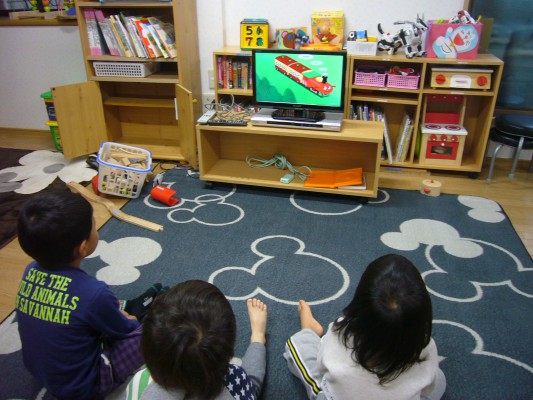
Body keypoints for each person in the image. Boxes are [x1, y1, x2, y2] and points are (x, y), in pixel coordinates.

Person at [15, 191, 165, 400]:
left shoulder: (30, 270)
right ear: (83, 247)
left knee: (91, 308)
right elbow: (125, 330)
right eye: (94, 226)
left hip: (41, 371)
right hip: (83, 386)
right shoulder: (93, 292)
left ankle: (117, 310)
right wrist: (130, 321)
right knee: (153, 334)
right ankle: (126, 312)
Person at [284, 253, 446, 400]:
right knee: (437, 381)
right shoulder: (425, 346)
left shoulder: (340, 335)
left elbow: (321, 365)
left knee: (298, 346)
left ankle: (308, 331)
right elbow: (430, 388)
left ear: (359, 303)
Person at [127, 280, 268, 400]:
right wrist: (258, 337)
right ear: (228, 353)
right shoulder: (236, 384)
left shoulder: (140, 386)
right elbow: (252, 386)